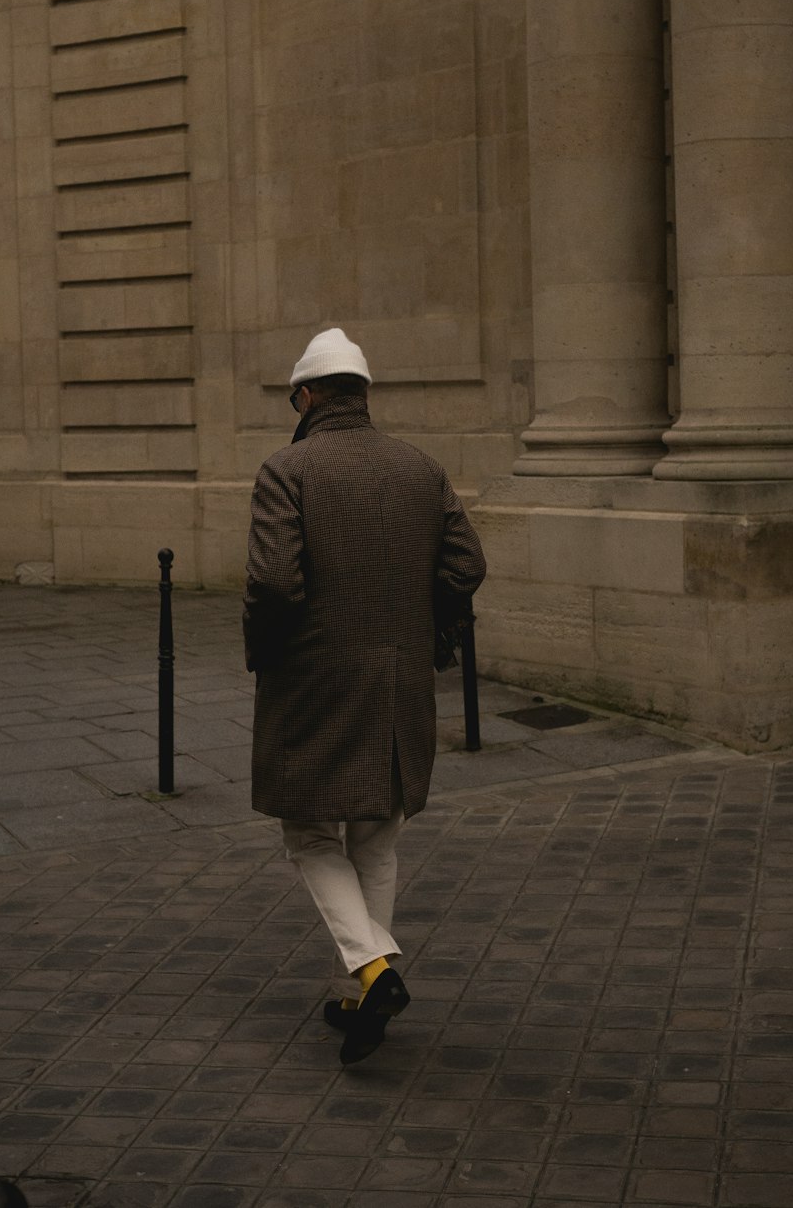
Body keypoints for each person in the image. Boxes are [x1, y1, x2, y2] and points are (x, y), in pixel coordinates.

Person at [244, 328, 486, 1065]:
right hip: (400, 681)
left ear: (309, 395)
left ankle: (373, 970)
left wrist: (269, 650)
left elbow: (274, 583)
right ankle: (357, 995)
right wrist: (428, 633)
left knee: (308, 830)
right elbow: (467, 564)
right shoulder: (422, 468)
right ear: (363, 392)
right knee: (377, 832)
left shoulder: (288, 469)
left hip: (317, 680)